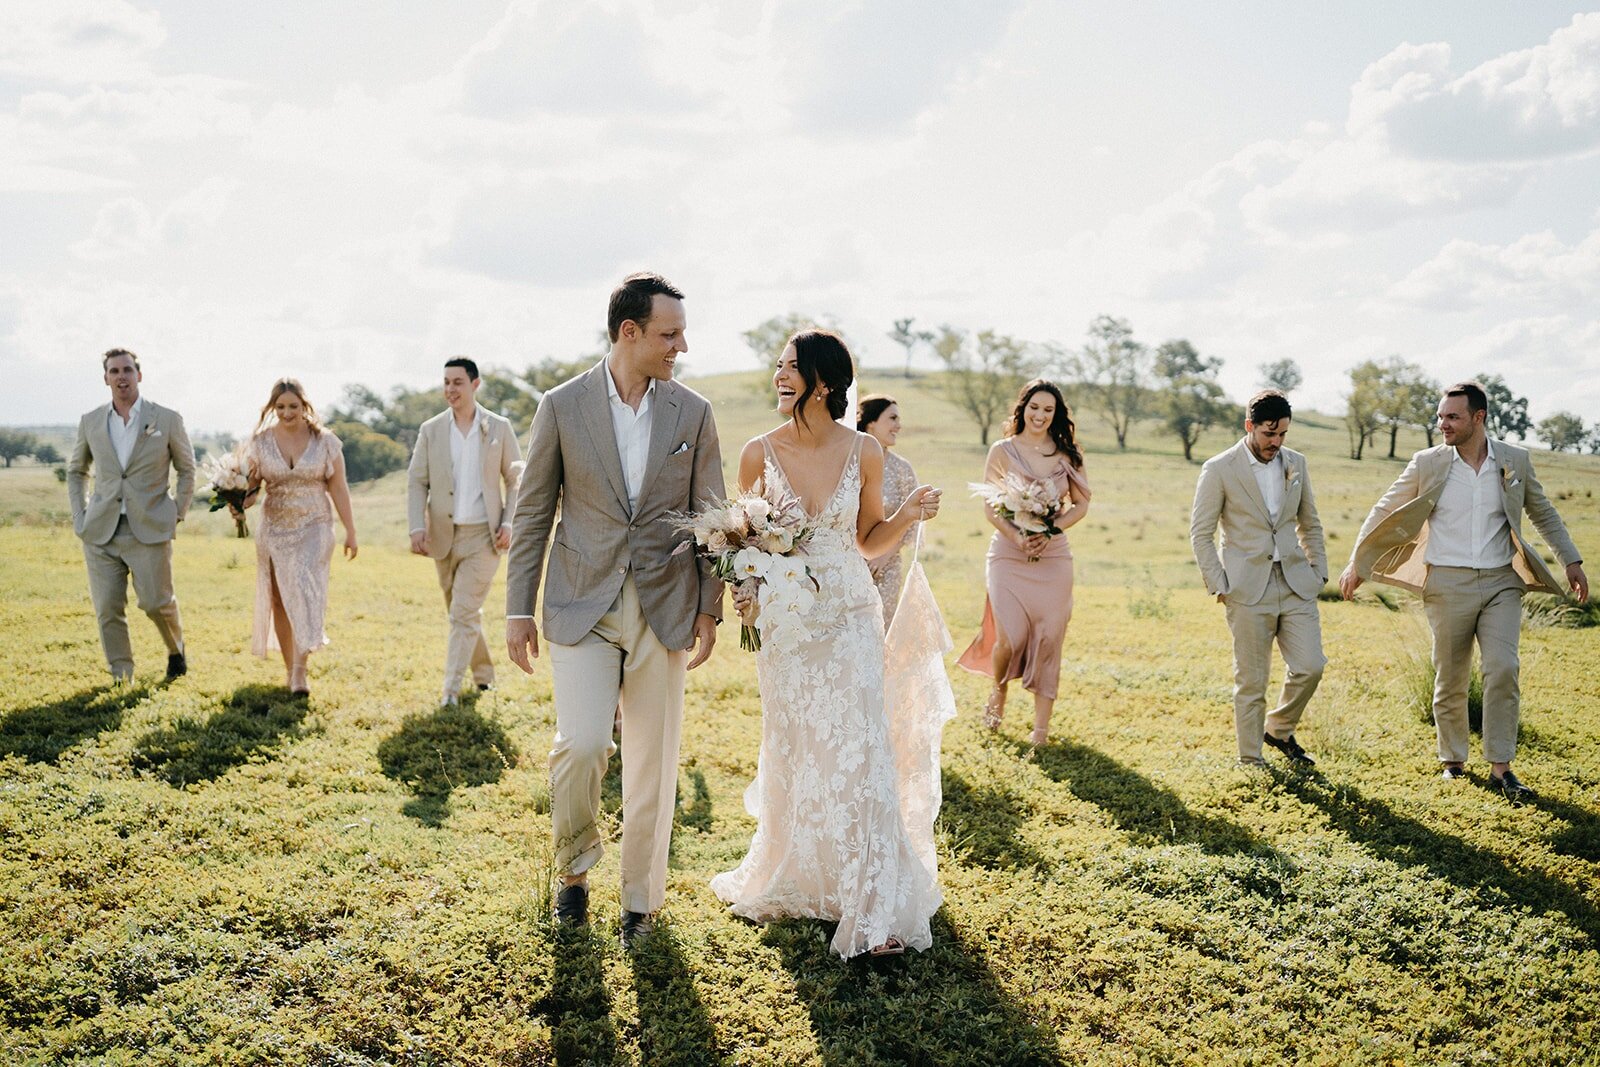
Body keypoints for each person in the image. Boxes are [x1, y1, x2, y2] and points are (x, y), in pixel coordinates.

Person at [505, 272, 724, 951]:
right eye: (669, 333)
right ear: (629, 333)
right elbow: (534, 509)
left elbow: (712, 514)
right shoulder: (562, 406)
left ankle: (640, 902)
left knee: (654, 759)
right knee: (584, 743)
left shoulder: (694, 412)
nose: (681, 346)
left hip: (667, 602)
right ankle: (571, 871)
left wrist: (711, 606)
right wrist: (518, 609)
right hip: (580, 601)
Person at [714, 329, 948, 959]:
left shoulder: (866, 450)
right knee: (795, 744)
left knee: (862, 746)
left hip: (848, 613)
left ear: (822, 381)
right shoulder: (756, 453)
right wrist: (743, 590)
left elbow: (870, 541)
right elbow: (743, 546)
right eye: (778, 367)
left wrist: (908, 517)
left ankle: (874, 905)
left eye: (791, 368)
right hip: (787, 625)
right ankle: (802, 873)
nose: (778, 377)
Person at [1340, 381, 1587, 801]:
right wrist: (1357, 560)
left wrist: (1571, 561)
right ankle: (1453, 761)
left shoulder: (1513, 461)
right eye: (1440, 416)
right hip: (1446, 581)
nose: (1443, 424)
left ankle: (1501, 768)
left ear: (1479, 418)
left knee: (1503, 669)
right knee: (1451, 674)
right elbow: (1385, 508)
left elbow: (1541, 510)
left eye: (1452, 417)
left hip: (1500, 582)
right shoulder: (1428, 463)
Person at [1190, 389, 1328, 767]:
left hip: (1296, 582)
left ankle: (1278, 729)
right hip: (1246, 587)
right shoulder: (1219, 468)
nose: (1276, 442)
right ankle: (1250, 759)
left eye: (1283, 434)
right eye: (1269, 433)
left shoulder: (1296, 463)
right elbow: (1200, 533)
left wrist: (1319, 572)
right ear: (1249, 426)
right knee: (1251, 680)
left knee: (1310, 666)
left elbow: (1310, 523)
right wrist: (1220, 584)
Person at [957, 379, 1089, 747]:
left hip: (1053, 558)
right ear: (1023, 408)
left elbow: (1081, 504)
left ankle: (1041, 731)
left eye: (1048, 410)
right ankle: (997, 693)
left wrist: (1051, 530)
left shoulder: (1067, 455)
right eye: (1035, 407)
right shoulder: (1002, 450)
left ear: (1056, 414)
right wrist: (1017, 535)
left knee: (1050, 637)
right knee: (1010, 636)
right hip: (1008, 554)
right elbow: (989, 506)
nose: (1040, 416)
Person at [67, 348, 196, 682]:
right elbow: (76, 470)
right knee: (108, 609)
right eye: (114, 371)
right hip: (100, 529)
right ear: (106, 378)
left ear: (139, 375)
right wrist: (79, 516)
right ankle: (121, 674)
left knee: (156, 602)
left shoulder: (166, 419)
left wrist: (177, 512)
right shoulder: (91, 421)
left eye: (127, 370)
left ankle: (175, 650)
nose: (121, 377)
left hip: (150, 527)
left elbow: (186, 469)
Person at [408, 357, 523, 705]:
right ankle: (484, 676)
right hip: (441, 535)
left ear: (474, 385)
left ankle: (450, 691)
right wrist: (416, 526)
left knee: (462, 613)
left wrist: (508, 521)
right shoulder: (431, 430)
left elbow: (516, 478)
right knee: (462, 612)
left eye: (457, 382)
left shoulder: (499, 428)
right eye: (445, 382)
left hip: (484, 537)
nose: (449, 389)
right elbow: (417, 480)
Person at [235, 379, 358, 696]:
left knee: (302, 590)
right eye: (280, 407)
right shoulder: (260, 443)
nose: (287, 413)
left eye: (293, 406)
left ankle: (301, 673)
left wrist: (351, 531)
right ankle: (291, 671)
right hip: (274, 527)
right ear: (272, 409)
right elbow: (251, 490)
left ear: (305, 406)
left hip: (315, 525)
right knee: (279, 600)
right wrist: (236, 500)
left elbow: (339, 488)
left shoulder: (326, 442)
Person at [858, 394, 918, 624]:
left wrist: (884, 556)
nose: (898, 425)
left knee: (882, 628)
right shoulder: (851, 461)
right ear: (871, 422)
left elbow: (914, 519)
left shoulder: (902, 469)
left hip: (887, 568)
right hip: (852, 564)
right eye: (892, 418)